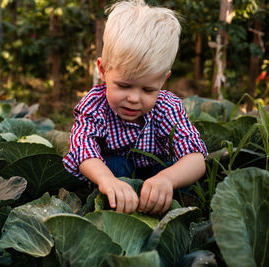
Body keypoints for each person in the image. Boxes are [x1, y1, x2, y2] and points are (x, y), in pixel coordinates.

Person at [62, 0, 207, 215]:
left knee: (178, 173)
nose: (134, 98)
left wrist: (166, 180)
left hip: (157, 175)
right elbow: (83, 148)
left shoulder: (167, 106)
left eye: (148, 90)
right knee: (116, 166)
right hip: (113, 176)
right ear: (103, 70)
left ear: (163, 80)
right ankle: (112, 205)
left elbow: (195, 157)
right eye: (123, 85)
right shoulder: (94, 105)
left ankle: (169, 207)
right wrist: (107, 181)